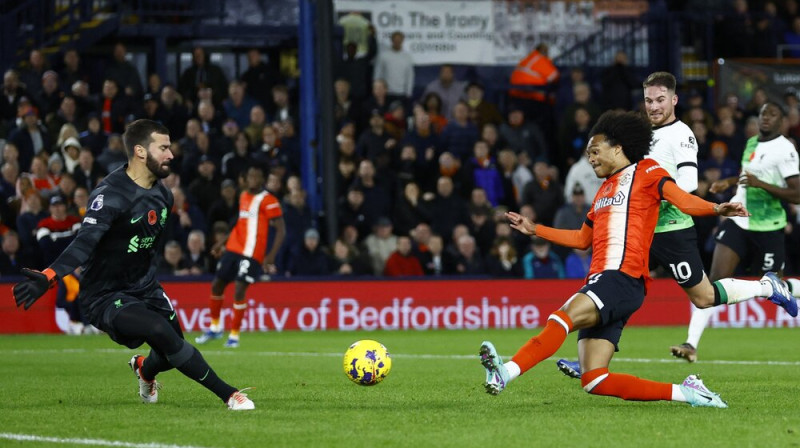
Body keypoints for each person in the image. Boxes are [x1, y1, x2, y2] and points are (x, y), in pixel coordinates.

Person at [479, 110, 752, 408]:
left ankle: (504, 373)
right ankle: (688, 392)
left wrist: (715, 209)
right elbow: (583, 240)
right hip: (607, 281)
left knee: (561, 317)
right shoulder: (604, 192)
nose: (591, 159)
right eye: (588, 154)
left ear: (617, 148)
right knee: (594, 379)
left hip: (620, 278)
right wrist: (536, 230)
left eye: (595, 151)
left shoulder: (647, 171)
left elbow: (681, 199)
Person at [556, 73, 797, 377]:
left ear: (673, 100)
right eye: (648, 100)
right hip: (640, 230)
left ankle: (767, 285)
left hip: (671, 229)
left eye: (659, 100)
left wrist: (655, 195)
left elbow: (688, 183)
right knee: (615, 287)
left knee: (704, 296)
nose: (653, 106)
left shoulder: (681, 135)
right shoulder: (642, 131)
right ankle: (591, 361)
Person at [12, 119, 255, 410]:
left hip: (145, 286)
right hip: (105, 294)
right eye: (163, 147)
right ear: (140, 151)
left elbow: (148, 245)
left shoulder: (164, 196)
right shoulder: (109, 195)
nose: (171, 155)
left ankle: (144, 369)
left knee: (170, 350)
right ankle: (230, 395)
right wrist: (51, 274)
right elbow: (84, 242)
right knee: (159, 331)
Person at [669, 101, 800, 361]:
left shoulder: (786, 150)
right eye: (763, 113)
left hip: (769, 227)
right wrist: (729, 182)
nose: (765, 117)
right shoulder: (752, 143)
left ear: (782, 121)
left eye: (772, 114)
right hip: (740, 221)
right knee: (712, 282)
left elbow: (797, 193)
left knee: (774, 285)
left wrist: (759, 183)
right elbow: (746, 175)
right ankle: (691, 345)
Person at [196, 164, 285, 348]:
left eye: (257, 176)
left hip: (252, 253)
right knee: (217, 284)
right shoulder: (243, 196)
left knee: (238, 289)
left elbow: (281, 230)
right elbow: (240, 223)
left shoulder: (269, 200)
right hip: (234, 248)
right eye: (250, 175)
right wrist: (222, 243)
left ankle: (234, 336)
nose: (253, 179)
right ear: (246, 178)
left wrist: (271, 256)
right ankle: (215, 328)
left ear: (262, 179)